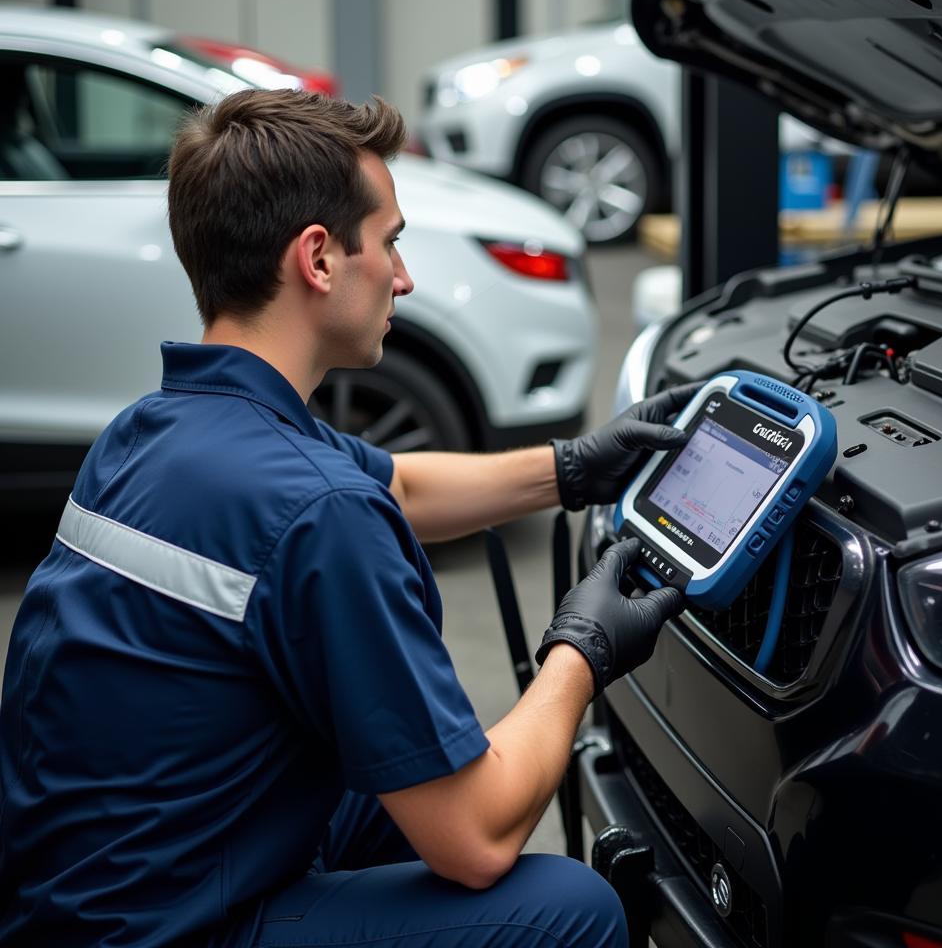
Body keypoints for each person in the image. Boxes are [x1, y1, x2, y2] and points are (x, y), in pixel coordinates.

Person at [0, 89, 694, 948]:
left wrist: (571, 469)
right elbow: (475, 842)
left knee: (405, 780)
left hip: (74, 890)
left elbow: (397, 487)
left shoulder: (146, 431)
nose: (402, 277)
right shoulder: (319, 509)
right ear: (319, 259)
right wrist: (580, 654)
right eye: (392, 242)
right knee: (568, 906)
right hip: (166, 929)